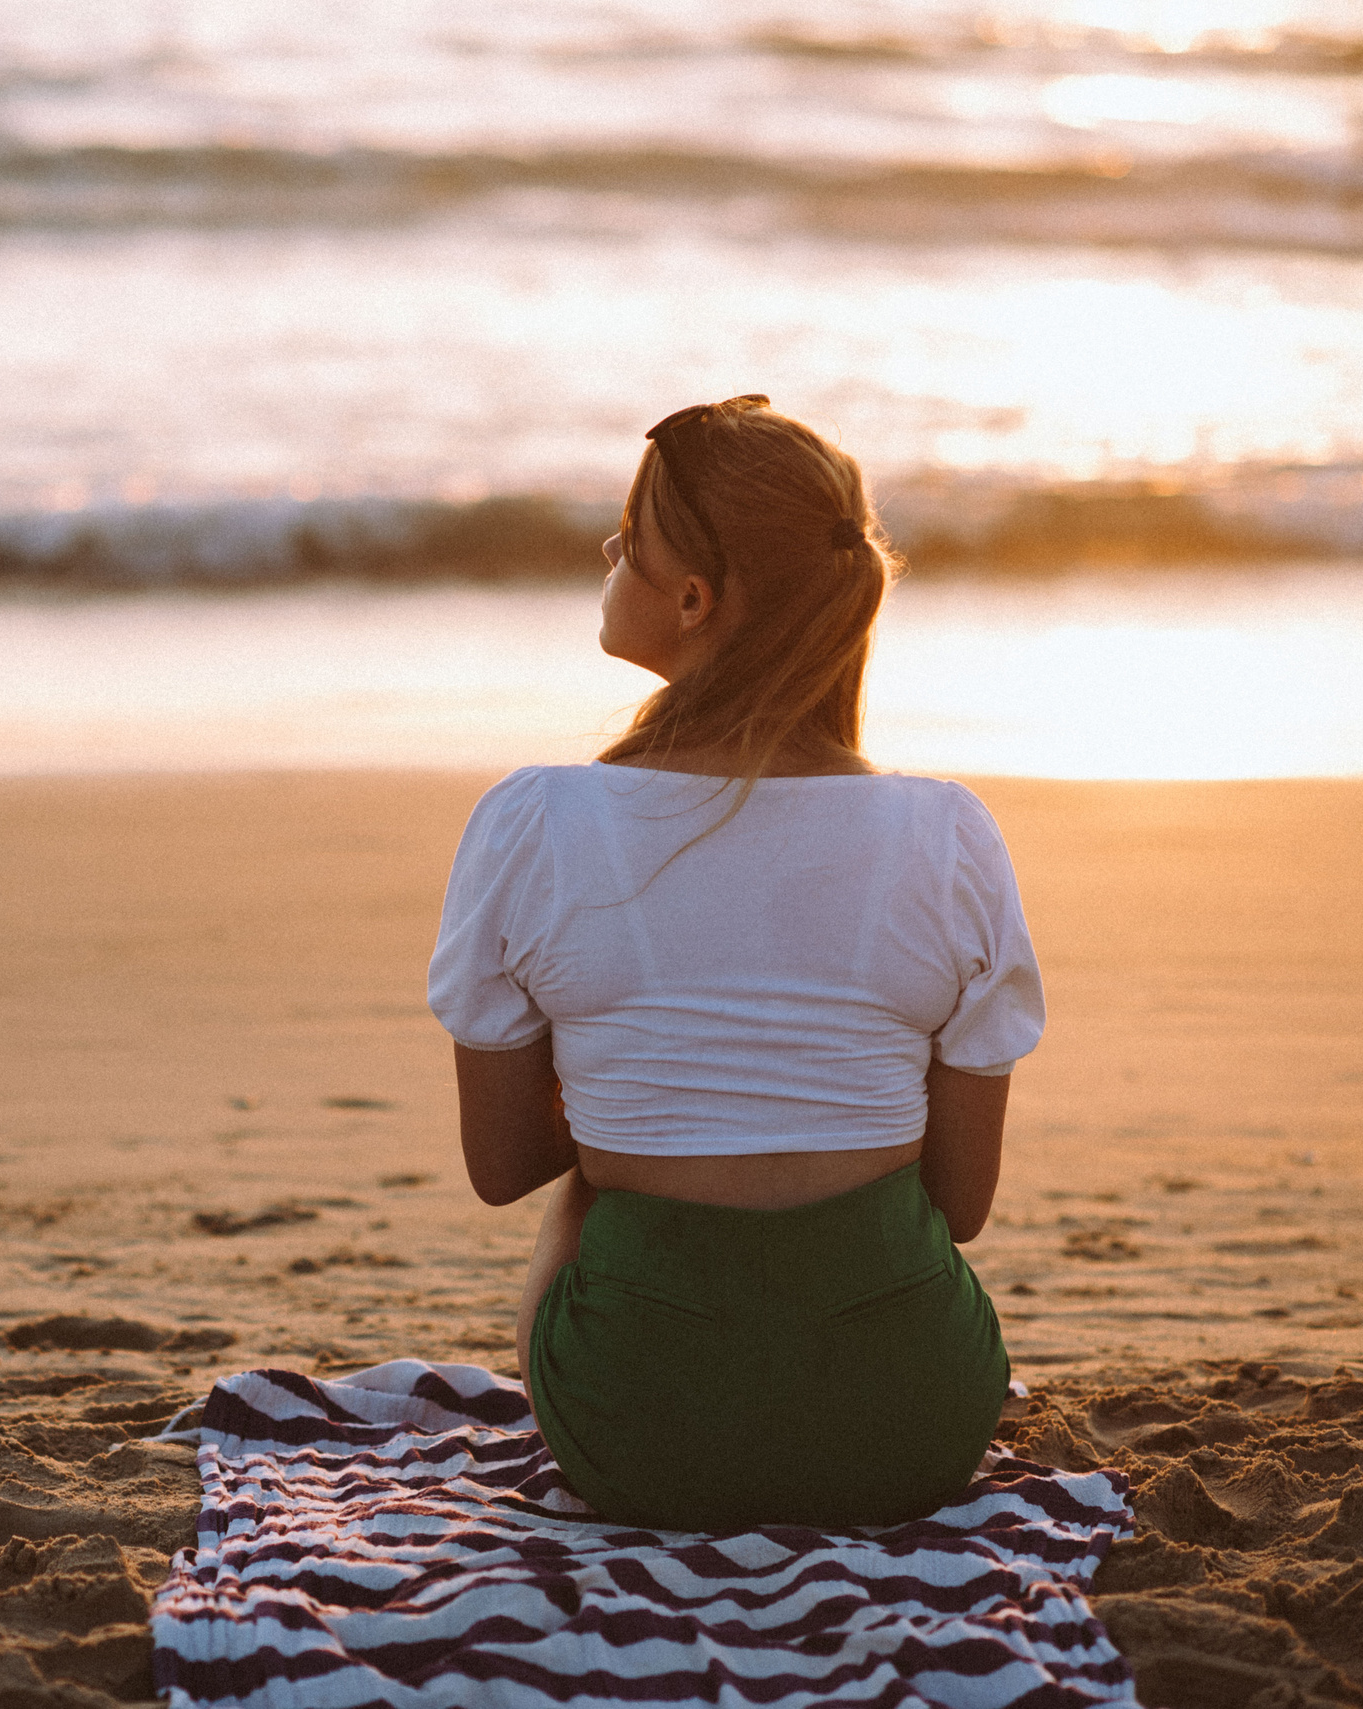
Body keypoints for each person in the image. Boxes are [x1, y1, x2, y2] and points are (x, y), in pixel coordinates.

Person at [427, 395, 1043, 1533]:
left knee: (593, 1177)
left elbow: (504, 1162)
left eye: (631, 536)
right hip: (912, 1424)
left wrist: (648, 1074)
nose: (611, 552)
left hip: (637, 1433)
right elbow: (957, 1205)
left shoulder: (536, 819)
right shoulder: (948, 833)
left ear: (695, 599)